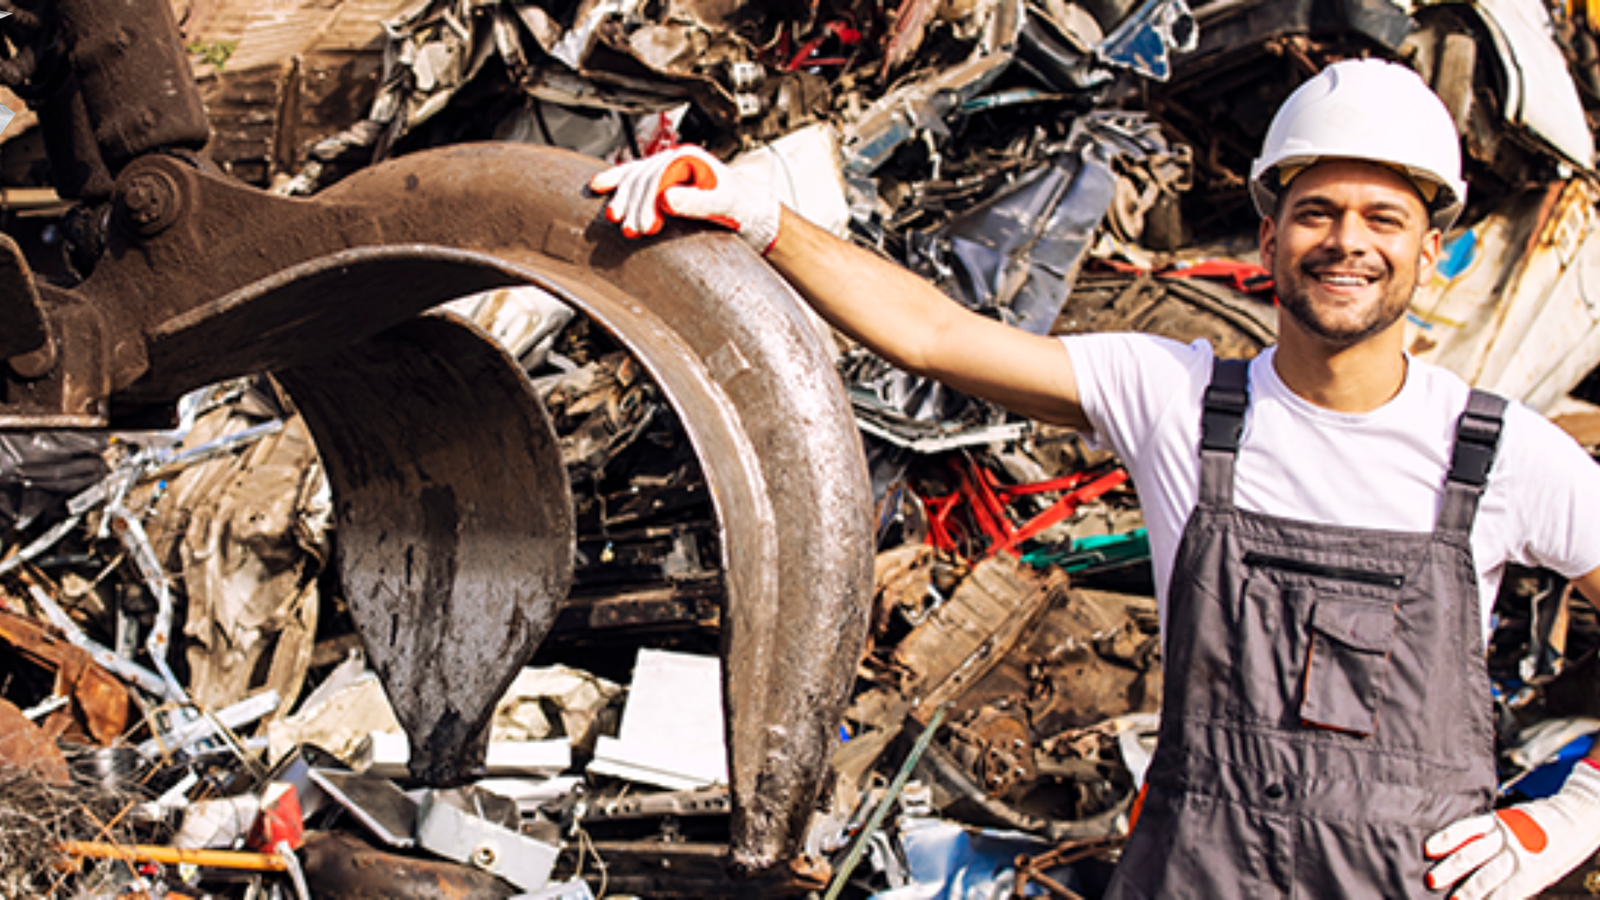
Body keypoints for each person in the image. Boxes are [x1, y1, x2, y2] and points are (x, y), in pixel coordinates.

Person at [590, 58, 1600, 899]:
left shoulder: (1500, 452)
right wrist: (756, 211)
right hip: (1197, 876)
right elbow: (936, 335)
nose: (1346, 243)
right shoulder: (1177, 398)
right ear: (1266, 236)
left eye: (1382, 219)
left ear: (1432, 247)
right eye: (1316, 212)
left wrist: (1564, 822)